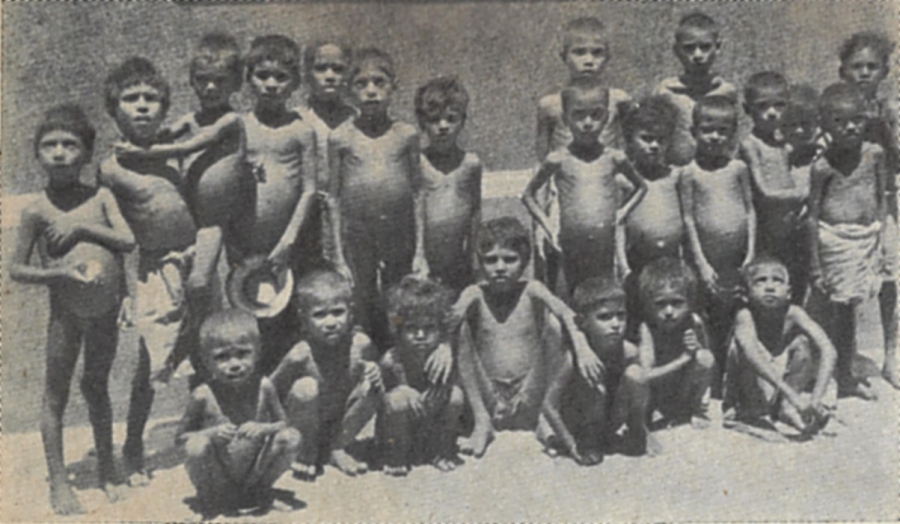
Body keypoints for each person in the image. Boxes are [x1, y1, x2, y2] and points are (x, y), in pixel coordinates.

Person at [10, 105, 135, 514]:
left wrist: (81, 228)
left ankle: (107, 470)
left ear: (86, 153)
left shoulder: (101, 196)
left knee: (96, 386)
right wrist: (59, 274)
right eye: (50, 145)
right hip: (65, 314)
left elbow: (126, 240)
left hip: (105, 312)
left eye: (70, 144)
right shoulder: (37, 210)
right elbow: (15, 269)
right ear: (38, 154)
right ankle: (59, 482)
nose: (60, 152)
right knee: (55, 394)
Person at [115, 33, 248, 376]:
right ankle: (191, 355)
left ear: (235, 83)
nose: (210, 88)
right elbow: (165, 132)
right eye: (203, 80)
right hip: (195, 221)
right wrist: (135, 144)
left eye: (220, 81)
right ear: (191, 81)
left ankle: (194, 352)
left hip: (215, 224)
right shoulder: (188, 120)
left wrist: (145, 153)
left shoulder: (231, 121)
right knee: (189, 298)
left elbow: (188, 147)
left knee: (199, 284)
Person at [98, 57, 199, 485]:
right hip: (155, 271)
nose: (142, 107)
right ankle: (134, 444)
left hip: (199, 261)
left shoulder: (177, 151)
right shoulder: (112, 167)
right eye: (131, 99)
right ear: (114, 108)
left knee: (205, 350)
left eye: (151, 99)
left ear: (165, 105)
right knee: (151, 360)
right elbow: (112, 235)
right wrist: (124, 292)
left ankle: (204, 429)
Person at [450, 217, 601, 458]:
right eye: (491, 260)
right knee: (462, 329)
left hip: (530, 390)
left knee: (555, 324)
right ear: (480, 263)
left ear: (524, 262)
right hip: (489, 394)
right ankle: (482, 422)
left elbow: (565, 311)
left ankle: (545, 416)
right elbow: (450, 319)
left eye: (510, 259)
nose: (500, 267)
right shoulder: (475, 293)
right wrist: (441, 347)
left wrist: (583, 347)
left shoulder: (532, 288)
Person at [328, 47, 429, 350]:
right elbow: (333, 197)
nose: (371, 91)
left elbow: (418, 192)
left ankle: (396, 352)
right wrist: (337, 254)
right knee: (361, 296)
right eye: (361, 84)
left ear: (394, 86)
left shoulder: (406, 135)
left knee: (397, 295)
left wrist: (421, 249)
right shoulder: (341, 137)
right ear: (348, 90)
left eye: (379, 82)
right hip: (358, 235)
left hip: (398, 234)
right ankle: (365, 356)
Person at [234, 35, 320, 373]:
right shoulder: (240, 127)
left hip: (289, 245)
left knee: (289, 323)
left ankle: (290, 402)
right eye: (262, 75)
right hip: (247, 246)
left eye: (281, 77)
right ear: (248, 78)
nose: (271, 84)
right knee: (251, 322)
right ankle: (254, 401)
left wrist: (288, 241)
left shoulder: (300, 130)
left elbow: (309, 190)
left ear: (296, 82)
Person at [533, 16, 632, 288]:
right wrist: (539, 223)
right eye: (579, 52)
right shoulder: (550, 105)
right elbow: (541, 162)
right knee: (561, 268)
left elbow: (630, 152)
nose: (589, 60)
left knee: (613, 271)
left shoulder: (619, 100)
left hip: (607, 193)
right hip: (565, 194)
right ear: (563, 55)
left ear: (608, 57)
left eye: (597, 53)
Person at [523, 82, 647, 294]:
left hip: (605, 246)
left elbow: (641, 187)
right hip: (570, 245)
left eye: (596, 115)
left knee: (607, 296)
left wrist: (622, 213)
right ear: (565, 119)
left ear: (606, 118)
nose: (588, 123)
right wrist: (547, 225)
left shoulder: (614, 157)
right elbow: (528, 195)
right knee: (573, 296)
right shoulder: (558, 159)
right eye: (579, 115)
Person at [177, 309, 301, 517]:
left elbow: (284, 424)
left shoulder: (264, 386)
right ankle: (211, 500)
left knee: (292, 438)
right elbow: (181, 439)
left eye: (243, 354)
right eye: (222, 357)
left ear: (258, 352)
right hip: (219, 474)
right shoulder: (203, 394)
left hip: (256, 470)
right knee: (196, 446)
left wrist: (263, 428)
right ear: (206, 361)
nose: (234, 364)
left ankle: (261, 491)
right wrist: (210, 433)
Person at [807, 83, 888, 400]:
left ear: (865, 119)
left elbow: (880, 198)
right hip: (834, 242)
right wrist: (815, 263)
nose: (850, 127)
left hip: (865, 239)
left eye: (855, 119)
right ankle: (828, 376)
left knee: (851, 310)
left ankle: (846, 376)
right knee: (831, 309)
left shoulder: (874, 155)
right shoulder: (822, 167)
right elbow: (813, 216)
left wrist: (880, 241)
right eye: (839, 121)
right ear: (825, 125)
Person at [269, 270, 382, 479]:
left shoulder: (361, 345)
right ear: (303, 318)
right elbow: (270, 392)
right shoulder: (300, 354)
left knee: (372, 385)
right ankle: (306, 452)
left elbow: (378, 379)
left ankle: (337, 448)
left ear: (351, 312)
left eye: (338, 312)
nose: (330, 322)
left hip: (340, 423)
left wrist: (374, 373)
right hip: (303, 426)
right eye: (319, 314)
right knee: (305, 388)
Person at [679, 96, 756, 388]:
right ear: (694, 132)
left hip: (735, 259)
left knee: (731, 314)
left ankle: (728, 377)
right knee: (705, 319)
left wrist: (749, 253)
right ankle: (706, 380)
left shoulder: (737, 169)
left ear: (733, 133)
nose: (715, 136)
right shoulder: (690, 173)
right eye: (708, 129)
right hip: (706, 262)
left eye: (723, 130)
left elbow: (750, 211)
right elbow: (687, 219)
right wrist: (701, 262)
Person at [837, 32, 899, 388]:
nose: (864, 73)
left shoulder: (889, 111)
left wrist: (888, 125)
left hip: (884, 203)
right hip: (846, 207)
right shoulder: (835, 109)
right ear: (843, 71)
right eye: (856, 66)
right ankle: (847, 362)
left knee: (890, 280)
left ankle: (891, 357)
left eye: (872, 67)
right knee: (848, 286)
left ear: (885, 71)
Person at [542, 276, 658, 464]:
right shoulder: (573, 358)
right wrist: (571, 445)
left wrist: (643, 428)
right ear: (583, 322)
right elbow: (548, 405)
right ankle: (589, 442)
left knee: (637, 375)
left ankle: (636, 432)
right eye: (604, 317)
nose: (615, 324)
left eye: (621, 315)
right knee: (596, 385)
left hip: (609, 420)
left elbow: (639, 387)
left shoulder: (627, 350)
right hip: (578, 423)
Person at [723, 257, 837, 437]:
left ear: (789, 292)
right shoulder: (744, 316)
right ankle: (753, 410)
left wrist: (816, 399)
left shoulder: (794, 313)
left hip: (783, 384)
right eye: (760, 281)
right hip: (752, 383)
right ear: (746, 294)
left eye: (777, 280)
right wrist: (794, 396)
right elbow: (752, 355)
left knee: (803, 342)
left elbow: (828, 350)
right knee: (740, 346)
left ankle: (786, 408)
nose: (770, 287)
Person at [378, 276, 465, 476]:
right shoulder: (393, 359)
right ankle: (396, 456)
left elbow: (455, 384)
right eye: (411, 329)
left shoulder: (442, 356)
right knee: (398, 400)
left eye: (428, 328)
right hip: (397, 428)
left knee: (456, 396)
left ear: (440, 329)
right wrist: (400, 389)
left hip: (428, 423)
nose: (420, 336)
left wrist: (442, 389)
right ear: (398, 329)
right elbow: (377, 401)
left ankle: (442, 452)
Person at [615, 96, 682, 338]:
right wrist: (623, 266)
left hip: (672, 261)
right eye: (646, 139)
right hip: (639, 262)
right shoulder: (624, 179)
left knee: (672, 315)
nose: (654, 146)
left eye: (661, 140)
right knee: (641, 318)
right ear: (630, 141)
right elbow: (619, 225)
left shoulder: (675, 176)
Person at [738, 72, 808, 303]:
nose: (771, 112)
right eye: (762, 106)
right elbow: (764, 191)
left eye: (779, 105)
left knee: (793, 284)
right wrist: (799, 195)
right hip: (765, 232)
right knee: (762, 288)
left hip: (789, 230)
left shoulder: (782, 144)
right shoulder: (751, 145)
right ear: (748, 110)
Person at [415, 77, 483, 294]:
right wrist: (419, 256)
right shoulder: (418, 163)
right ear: (422, 123)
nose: (443, 127)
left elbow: (475, 212)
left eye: (451, 119)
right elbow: (413, 212)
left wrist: (474, 256)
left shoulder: (470, 164)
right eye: (434, 120)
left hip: (458, 259)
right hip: (424, 259)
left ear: (463, 121)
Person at [293, 42, 357, 264]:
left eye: (338, 69)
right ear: (307, 75)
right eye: (321, 68)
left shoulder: (358, 119)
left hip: (349, 214)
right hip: (307, 215)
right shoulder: (296, 119)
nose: (330, 76)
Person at [636, 257, 715, 428]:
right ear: (648, 305)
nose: (669, 311)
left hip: (681, 388)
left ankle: (694, 409)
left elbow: (706, 360)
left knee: (705, 357)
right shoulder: (647, 328)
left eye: (677, 303)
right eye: (660, 304)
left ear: (690, 302)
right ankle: (650, 413)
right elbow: (645, 374)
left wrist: (696, 348)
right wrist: (685, 357)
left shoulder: (694, 322)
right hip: (656, 391)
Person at [654, 11, 737, 167]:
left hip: (716, 172)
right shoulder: (666, 92)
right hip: (677, 170)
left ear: (717, 47)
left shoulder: (725, 91)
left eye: (705, 47)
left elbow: (732, 139)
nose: (697, 55)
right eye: (689, 48)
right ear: (677, 50)